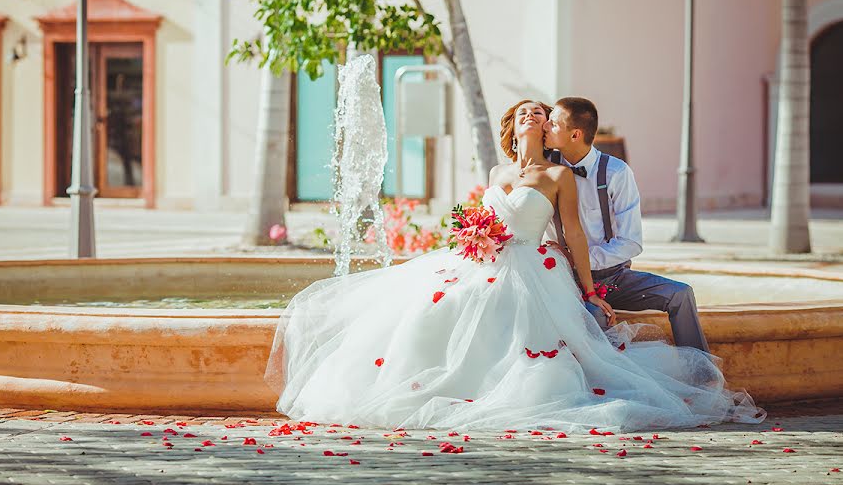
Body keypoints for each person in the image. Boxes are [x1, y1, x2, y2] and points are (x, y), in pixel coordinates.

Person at [265, 100, 764, 432]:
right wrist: (474, 236)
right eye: (524, 111)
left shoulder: (558, 176)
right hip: (479, 261)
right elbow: (484, 217)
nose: (531, 115)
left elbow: (572, 236)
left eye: (538, 112)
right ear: (513, 125)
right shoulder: (498, 171)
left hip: (534, 268)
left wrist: (590, 293)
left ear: (550, 129)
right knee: (436, 307)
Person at [542, 97, 709, 352]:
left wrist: (581, 259)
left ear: (575, 134)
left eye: (553, 123)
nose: (545, 127)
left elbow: (631, 242)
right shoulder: (545, 168)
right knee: (593, 317)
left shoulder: (616, 173)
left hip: (613, 277)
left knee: (680, 294)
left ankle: (702, 373)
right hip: (561, 278)